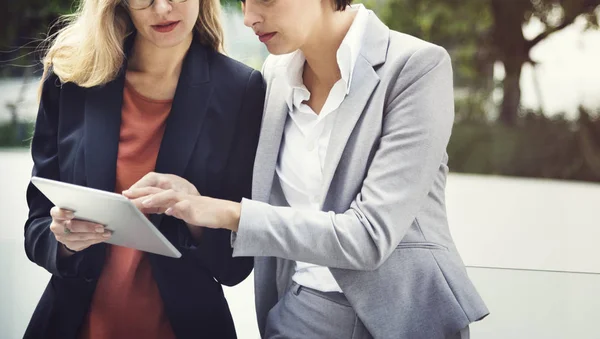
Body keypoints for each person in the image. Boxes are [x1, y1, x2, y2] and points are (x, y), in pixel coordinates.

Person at [126, 0, 490, 338]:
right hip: (300, 313)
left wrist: (229, 213)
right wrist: (193, 200)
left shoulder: (415, 67)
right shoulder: (274, 76)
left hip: (404, 318)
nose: (250, 16)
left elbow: (370, 236)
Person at [23, 0, 264, 338]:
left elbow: (236, 266)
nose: (162, 8)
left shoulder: (242, 90)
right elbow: (36, 228)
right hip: (75, 324)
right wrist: (63, 240)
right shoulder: (72, 77)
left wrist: (197, 213)